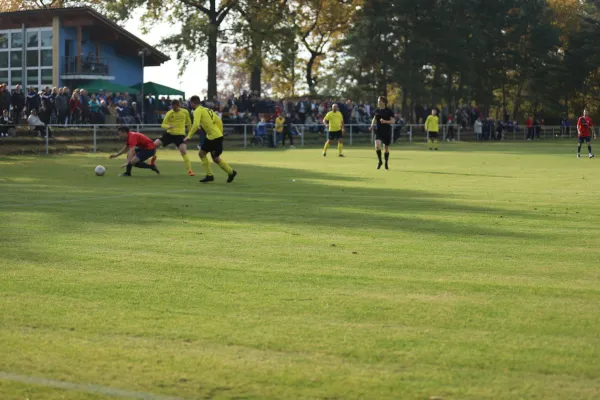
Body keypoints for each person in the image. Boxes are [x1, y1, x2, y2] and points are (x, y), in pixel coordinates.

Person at [186, 95, 237, 183]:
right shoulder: (207, 109)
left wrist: (189, 136)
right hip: (216, 135)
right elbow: (219, 121)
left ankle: (210, 175)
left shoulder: (197, 111)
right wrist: (220, 133)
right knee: (215, 158)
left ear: (192, 103)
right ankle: (231, 172)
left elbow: (195, 124)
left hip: (213, 137)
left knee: (202, 153)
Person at [149, 99, 194, 176]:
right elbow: (163, 124)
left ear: (179, 105)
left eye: (175, 108)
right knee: (154, 144)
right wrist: (168, 126)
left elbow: (189, 123)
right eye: (173, 108)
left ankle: (190, 170)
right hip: (170, 134)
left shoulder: (185, 112)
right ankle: (153, 159)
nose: (174, 109)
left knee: (183, 151)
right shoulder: (169, 113)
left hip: (180, 135)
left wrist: (189, 134)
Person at [371, 96, 395, 170]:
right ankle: (380, 161)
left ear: (384, 102)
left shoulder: (389, 111)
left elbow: (393, 121)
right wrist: (371, 125)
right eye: (378, 101)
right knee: (377, 145)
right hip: (378, 131)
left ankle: (386, 163)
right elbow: (374, 119)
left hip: (387, 131)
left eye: (379, 101)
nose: (378, 102)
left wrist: (385, 121)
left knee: (386, 148)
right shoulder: (377, 110)